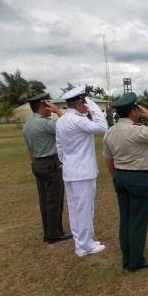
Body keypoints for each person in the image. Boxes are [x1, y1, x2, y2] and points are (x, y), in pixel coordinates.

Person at [103, 93, 148, 272]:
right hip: (138, 178)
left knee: (125, 218)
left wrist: (115, 176)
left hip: (120, 177)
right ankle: (135, 261)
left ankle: (127, 258)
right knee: (138, 220)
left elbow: (108, 159)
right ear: (133, 111)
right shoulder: (137, 130)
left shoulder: (109, 132)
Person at [56, 85, 108, 257]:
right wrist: (93, 106)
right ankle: (86, 246)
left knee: (75, 210)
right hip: (83, 172)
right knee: (85, 209)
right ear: (80, 101)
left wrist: (67, 163)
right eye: (84, 102)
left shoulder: (62, 119)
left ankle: (82, 243)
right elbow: (103, 127)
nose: (86, 106)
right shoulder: (77, 120)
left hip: (70, 171)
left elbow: (60, 148)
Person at [22, 93, 72, 244]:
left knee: (44, 199)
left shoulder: (28, 124)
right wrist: (58, 111)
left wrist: (32, 161)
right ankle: (54, 234)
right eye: (47, 104)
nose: (50, 107)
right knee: (54, 200)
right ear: (42, 106)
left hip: (37, 163)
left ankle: (49, 232)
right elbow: (67, 127)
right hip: (50, 163)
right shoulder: (45, 123)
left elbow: (29, 148)